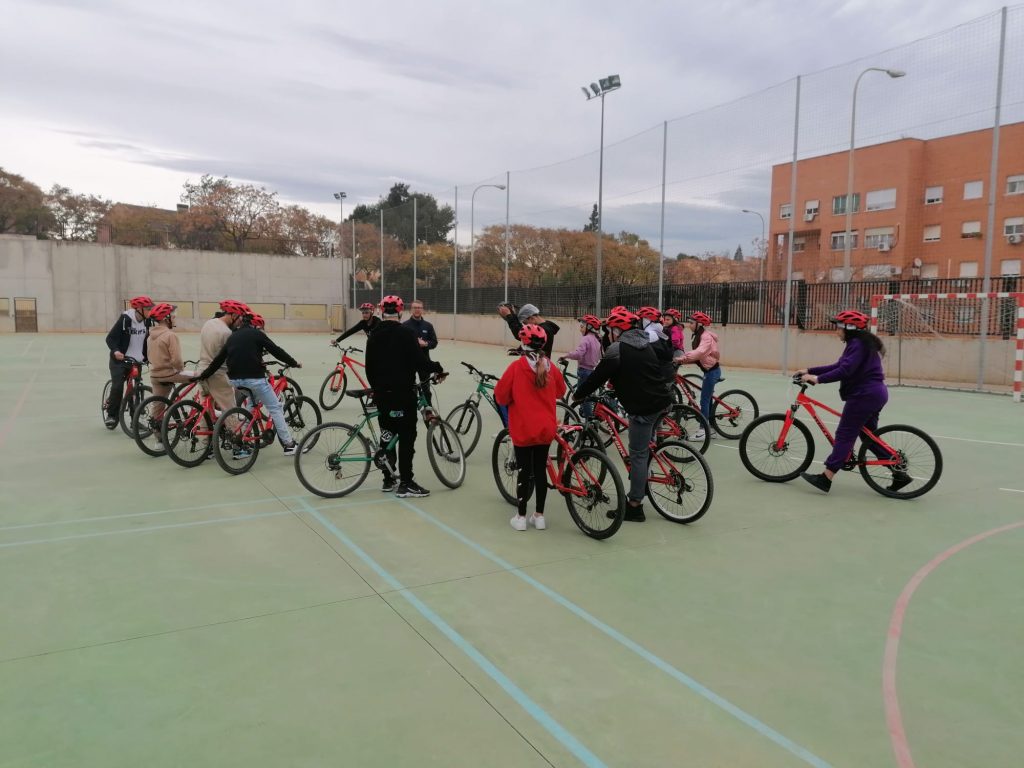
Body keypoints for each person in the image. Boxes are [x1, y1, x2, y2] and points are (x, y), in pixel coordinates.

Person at [572, 307, 672, 523]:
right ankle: (642, 477)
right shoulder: (645, 343)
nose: (608, 333)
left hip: (644, 407)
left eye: (610, 330)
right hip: (663, 401)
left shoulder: (617, 349)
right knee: (646, 447)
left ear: (617, 330)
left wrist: (578, 395)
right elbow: (641, 370)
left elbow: (597, 376)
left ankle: (634, 505)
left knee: (637, 453)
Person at [797, 310, 910, 494]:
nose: (836, 331)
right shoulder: (859, 343)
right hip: (874, 394)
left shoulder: (857, 344)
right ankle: (899, 474)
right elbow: (838, 366)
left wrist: (817, 379)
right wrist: (809, 370)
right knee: (868, 438)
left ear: (849, 328)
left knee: (845, 434)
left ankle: (826, 477)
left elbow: (845, 371)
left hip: (864, 395)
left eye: (839, 327)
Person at [365, 295, 444, 498]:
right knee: (407, 436)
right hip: (402, 394)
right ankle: (406, 482)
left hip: (382, 395)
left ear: (382, 312)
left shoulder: (374, 334)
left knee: (387, 435)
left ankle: (388, 478)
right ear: (400, 312)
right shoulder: (406, 333)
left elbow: (369, 368)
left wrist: (378, 389)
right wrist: (437, 368)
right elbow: (419, 361)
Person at [197, 314, 304, 456]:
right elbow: (276, 350)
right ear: (255, 325)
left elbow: (218, 360)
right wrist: (293, 363)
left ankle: (243, 437)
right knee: (275, 408)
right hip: (254, 379)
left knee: (251, 405)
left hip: (235, 381)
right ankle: (289, 445)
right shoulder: (257, 334)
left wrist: (204, 375)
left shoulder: (233, 336)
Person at [495, 324, 566, 532]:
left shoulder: (517, 368)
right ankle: (540, 516)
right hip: (546, 428)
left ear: (523, 343)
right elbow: (560, 392)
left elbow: (501, 396)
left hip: (524, 428)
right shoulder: (550, 367)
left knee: (524, 472)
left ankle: (521, 516)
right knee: (540, 471)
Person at [104, 295, 154, 429]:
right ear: (138, 309)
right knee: (118, 387)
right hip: (120, 360)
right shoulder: (125, 319)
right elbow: (110, 338)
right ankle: (112, 415)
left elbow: (148, 341)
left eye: (151, 308)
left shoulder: (148, 321)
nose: (150, 311)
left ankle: (134, 420)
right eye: (148, 308)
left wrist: (148, 357)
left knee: (136, 390)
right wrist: (115, 351)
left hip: (136, 360)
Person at [146, 303, 197, 423]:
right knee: (201, 376)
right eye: (173, 317)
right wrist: (180, 367)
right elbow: (177, 360)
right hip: (169, 373)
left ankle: (158, 436)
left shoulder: (150, 336)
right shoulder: (170, 336)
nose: (174, 319)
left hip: (155, 375)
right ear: (166, 318)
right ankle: (206, 412)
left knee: (158, 406)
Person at [672, 311, 720, 440]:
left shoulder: (705, 337)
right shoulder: (699, 335)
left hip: (712, 372)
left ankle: (703, 430)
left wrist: (682, 358)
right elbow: (699, 356)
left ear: (699, 324)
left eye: (692, 323)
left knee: (704, 400)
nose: (689, 325)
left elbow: (699, 352)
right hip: (709, 370)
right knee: (707, 399)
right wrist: (683, 360)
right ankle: (711, 429)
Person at [558, 315, 602, 418]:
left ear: (589, 328)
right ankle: (590, 416)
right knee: (589, 394)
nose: (580, 329)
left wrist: (566, 355)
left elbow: (578, 354)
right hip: (592, 370)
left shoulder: (586, 339)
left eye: (582, 326)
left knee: (583, 397)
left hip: (584, 370)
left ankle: (589, 420)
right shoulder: (597, 339)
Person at [402, 299, 439, 409]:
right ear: (411, 310)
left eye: (419, 308)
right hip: (409, 363)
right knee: (410, 387)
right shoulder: (404, 326)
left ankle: (428, 409)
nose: (417, 310)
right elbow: (400, 343)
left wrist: (425, 344)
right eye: (415, 308)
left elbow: (434, 342)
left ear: (422, 310)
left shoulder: (428, 326)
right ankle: (411, 408)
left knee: (426, 387)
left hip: (424, 361)